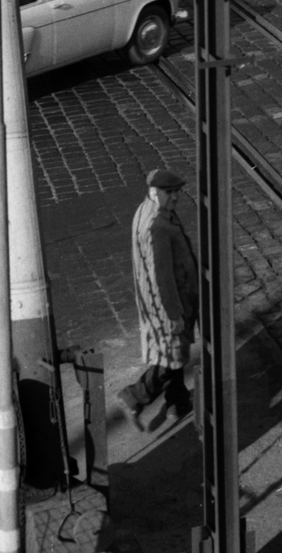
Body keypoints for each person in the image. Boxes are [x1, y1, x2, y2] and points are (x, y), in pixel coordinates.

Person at [119, 167, 199, 431]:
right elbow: (162, 275)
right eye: (169, 192)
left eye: (177, 192)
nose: (175, 197)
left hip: (156, 301)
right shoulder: (158, 226)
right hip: (167, 304)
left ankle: (178, 402)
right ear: (155, 193)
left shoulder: (148, 210)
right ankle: (135, 395)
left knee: (174, 353)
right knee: (168, 357)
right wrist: (174, 313)